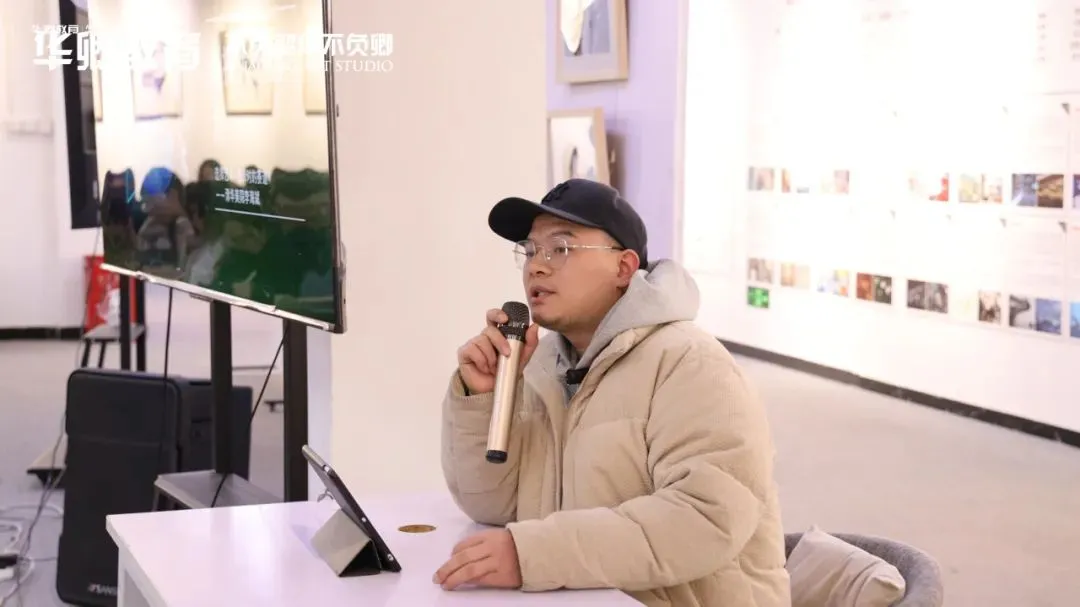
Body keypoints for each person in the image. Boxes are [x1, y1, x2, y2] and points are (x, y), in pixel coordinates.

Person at [434, 179, 790, 606]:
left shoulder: (691, 363)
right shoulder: (542, 365)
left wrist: (538, 555)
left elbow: (705, 518)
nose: (537, 267)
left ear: (623, 268)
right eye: (529, 251)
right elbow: (493, 505)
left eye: (561, 248)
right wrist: (485, 399)